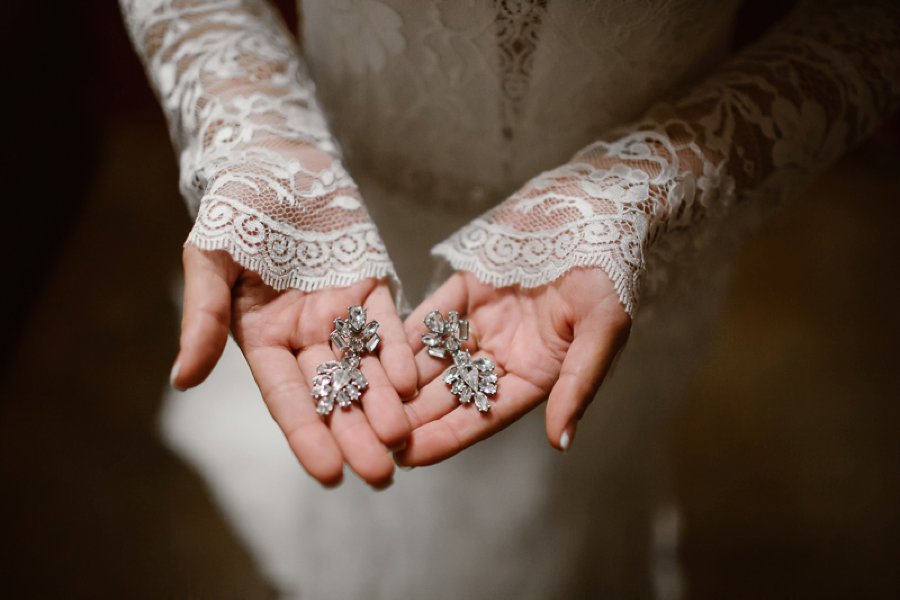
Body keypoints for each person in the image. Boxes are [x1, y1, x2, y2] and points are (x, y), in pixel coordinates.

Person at [121, 0, 899, 597]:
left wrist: (645, 190)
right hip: (346, 213)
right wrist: (253, 135)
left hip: (613, 243)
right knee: (377, 486)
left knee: (564, 509)